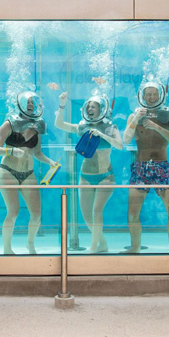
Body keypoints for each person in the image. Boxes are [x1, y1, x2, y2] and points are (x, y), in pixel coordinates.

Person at [54, 91, 123, 253]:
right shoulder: (83, 126)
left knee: (96, 211)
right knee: (86, 215)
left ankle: (93, 247)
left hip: (106, 176)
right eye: (89, 106)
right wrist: (62, 105)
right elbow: (60, 125)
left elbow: (120, 146)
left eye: (94, 106)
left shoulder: (110, 127)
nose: (91, 109)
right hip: (85, 176)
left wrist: (102, 135)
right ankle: (103, 243)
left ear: (102, 109)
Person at [0, 91, 59, 254]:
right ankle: (7, 248)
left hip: (28, 173)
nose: (30, 105)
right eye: (27, 102)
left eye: (32, 102)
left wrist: (50, 162)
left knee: (36, 214)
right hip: (8, 172)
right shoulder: (8, 124)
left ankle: (30, 243)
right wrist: (11, 151)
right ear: (20, 104)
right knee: (13, 212)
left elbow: (37, 152)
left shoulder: (38, 125)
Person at [121, 81, 169, 253]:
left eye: (155, 94)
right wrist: (134, 120)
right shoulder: (134, 116)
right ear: (142, 96)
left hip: (162, 167)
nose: (152, 97)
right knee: (132, 214)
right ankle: (135, 248)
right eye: (148, 94)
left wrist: (156, 127)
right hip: (140, 167)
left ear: (160, 95)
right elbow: (125, 139)